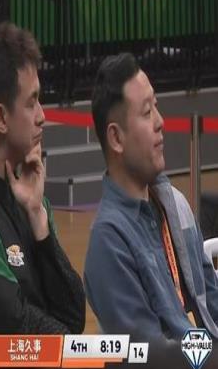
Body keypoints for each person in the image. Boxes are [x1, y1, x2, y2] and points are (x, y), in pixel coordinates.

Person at [0, 22, 85, 369]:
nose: (42, 115)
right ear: (1, 118)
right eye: (31, 102)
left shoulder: (27, 184)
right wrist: (74, 353)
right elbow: (10, 320)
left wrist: (38, 218)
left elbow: (73, 314)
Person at [84, 52, 218, 341]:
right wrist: (211, 361)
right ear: (116, 138)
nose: (160, 122)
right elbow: (152, 356)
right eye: (147, 112)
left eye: (156, 106)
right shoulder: (109, 242)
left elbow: (212, 301)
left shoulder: (175, 205)